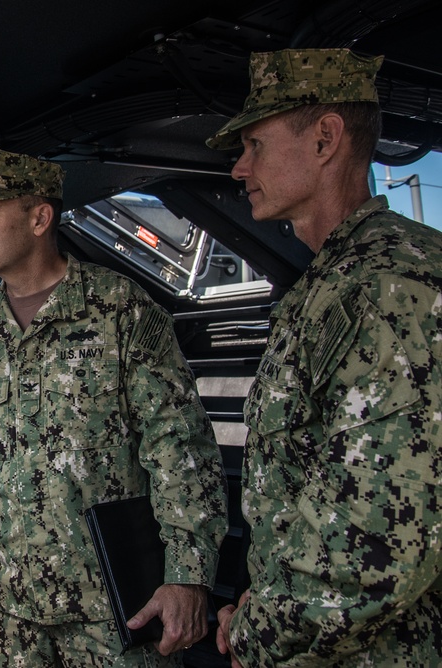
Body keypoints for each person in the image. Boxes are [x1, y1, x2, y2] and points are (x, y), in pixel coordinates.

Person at [0, 146, 228, 667]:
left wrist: (187, 574)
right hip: (9, 612)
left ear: (40, 217)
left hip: (113, 608)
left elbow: (180, 449)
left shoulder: (120, 309)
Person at [207, 48, 442, 666]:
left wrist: (259, 632)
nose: (238, 168)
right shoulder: (331, 285)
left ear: (325, 138)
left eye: (255, 144)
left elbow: (377, 547)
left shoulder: (390, 286)